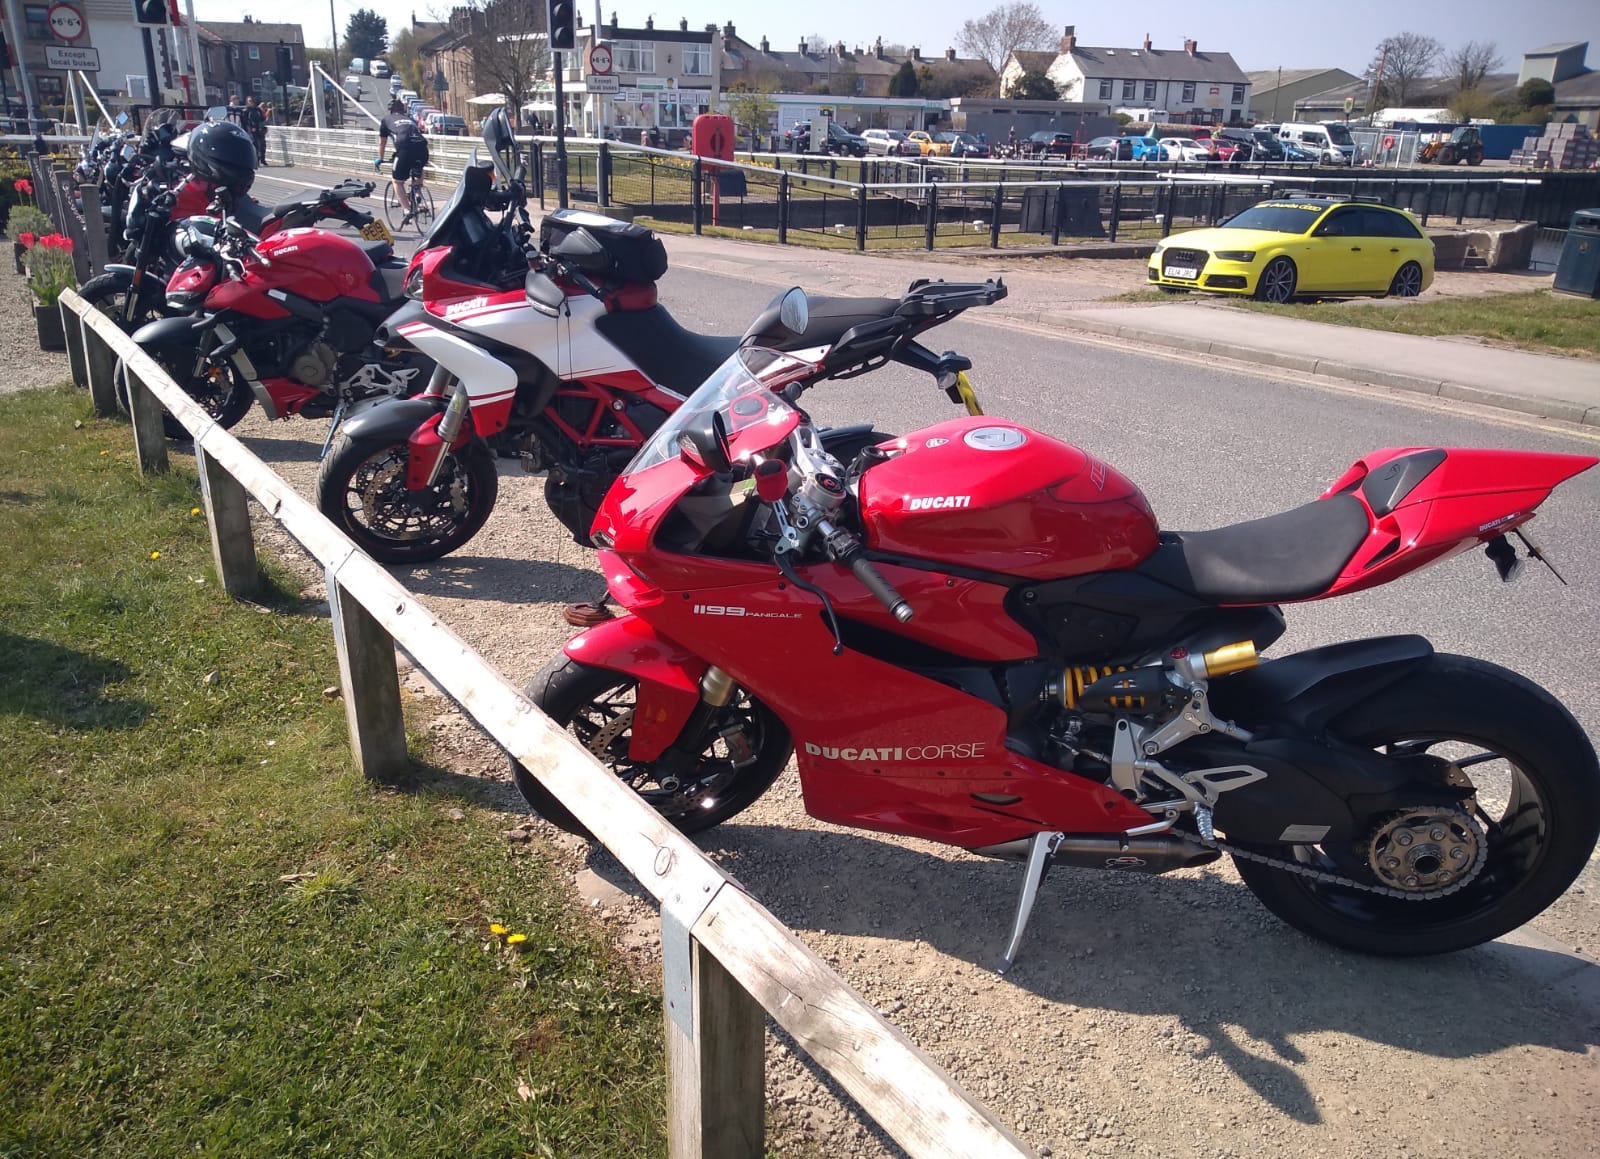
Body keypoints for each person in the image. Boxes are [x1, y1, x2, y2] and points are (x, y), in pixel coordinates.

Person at [375, 98, 430, 223]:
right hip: (422, 148)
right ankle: (417, 192)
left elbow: (382, 143)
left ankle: (406, 209)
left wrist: (380, 159)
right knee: (419, 167)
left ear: (390, 110)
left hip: (405, 149)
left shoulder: (386, 120)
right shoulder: (411, 120)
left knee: (397, 181)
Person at [241, 96, 267, 166]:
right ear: (247, 102)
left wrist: (263, 127)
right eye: (249, 101)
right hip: (251, 131)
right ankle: (256, 160)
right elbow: (244, 122)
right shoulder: (245, 111)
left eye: (252, 101)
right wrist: (249, 129)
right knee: (255, 145)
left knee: (262, 144)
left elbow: (262, 119)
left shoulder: (257, 110)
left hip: (259, 129)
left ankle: (263, 160)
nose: (251, 102)